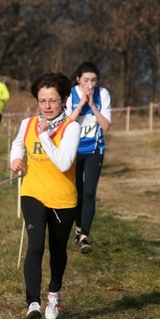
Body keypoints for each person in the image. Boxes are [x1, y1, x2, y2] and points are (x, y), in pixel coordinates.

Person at [10, 73, 80, 319]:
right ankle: (33, 303)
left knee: (57, 250)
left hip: (63, 198)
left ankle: (54, 295)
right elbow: (18, 144)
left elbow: (63, 163)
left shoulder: (71, 128)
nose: (47, 106)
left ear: (63, 100)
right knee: (36, 244)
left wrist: (44, 136)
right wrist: (15, 159)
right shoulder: (27, 123)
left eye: (52, 100)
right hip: (33, 192)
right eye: (42, 101)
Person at [66, 61, 111, 254]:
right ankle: (77, 229)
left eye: (93, 80)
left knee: (90, 193)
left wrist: (92, 105)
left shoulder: (103, 94)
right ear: (78, 79)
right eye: (86, 80)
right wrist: (81, 103)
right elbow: (66, 124)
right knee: (76, 193)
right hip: (74, 151)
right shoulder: (71, 94)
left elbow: (106, 126)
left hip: (94, 150)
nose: (89, 85)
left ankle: (84, 236)